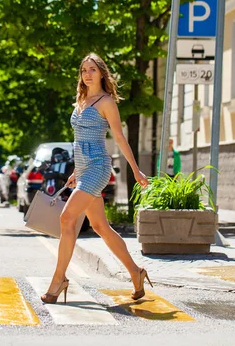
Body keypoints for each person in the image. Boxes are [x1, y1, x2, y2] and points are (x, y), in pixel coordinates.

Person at [41, 53, 152, 304]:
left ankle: (59, 280)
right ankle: (136, 273)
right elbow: (79, 141)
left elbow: (120, 139)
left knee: (67, 218)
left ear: (102, 73)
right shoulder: (80, 100)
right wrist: (76, 171)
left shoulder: (106, 102)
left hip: (99, 167)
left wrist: (135, 169)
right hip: (83, 169)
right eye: (84, 70)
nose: (87, 74)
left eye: (92, 69)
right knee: (101, 227)